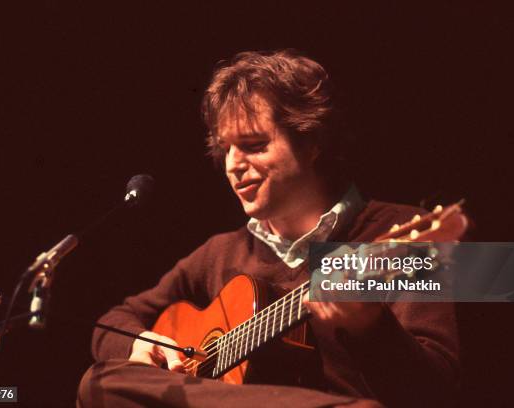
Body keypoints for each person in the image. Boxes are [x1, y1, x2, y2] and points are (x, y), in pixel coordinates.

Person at [77, 50, 460, 408]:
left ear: (312, 142)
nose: (233, 165)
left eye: (254, 145)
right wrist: (141, 343)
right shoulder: (220, 253)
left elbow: (435, 392)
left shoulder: (395, 234)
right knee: (98, 381)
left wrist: (371, 328)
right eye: (226, 148)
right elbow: (113, 321)